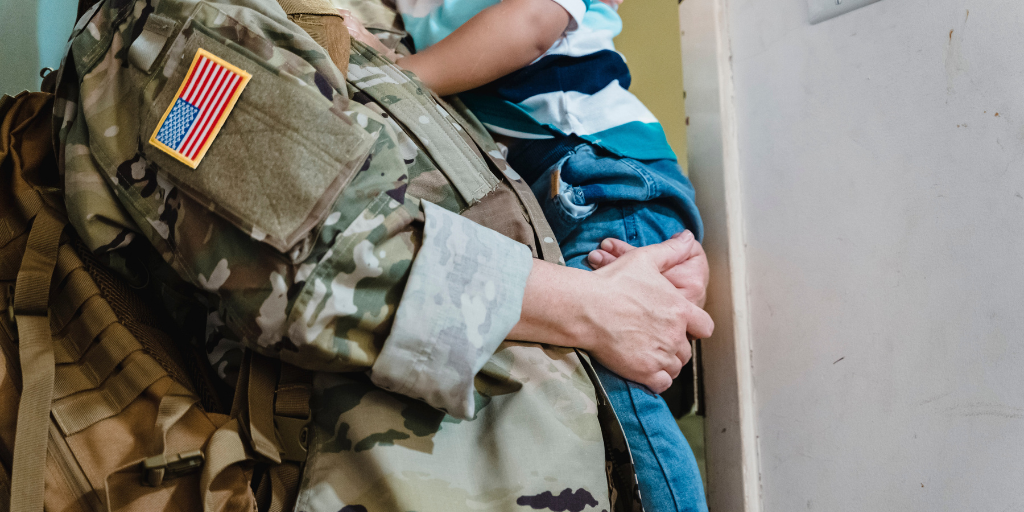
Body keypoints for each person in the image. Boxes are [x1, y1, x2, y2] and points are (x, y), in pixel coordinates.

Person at [54, 0, 712, 509]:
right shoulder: (185, 24)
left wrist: (645, 273)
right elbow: (325, 266)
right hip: (410, 486)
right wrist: (593, 304)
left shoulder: (368, 20)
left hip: (541, 471)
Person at [346, 0, 710, 510]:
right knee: (585, 388)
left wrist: (396, 77)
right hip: (555, 190)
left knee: (617, 389)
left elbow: (531, 24)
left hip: (603, 177)